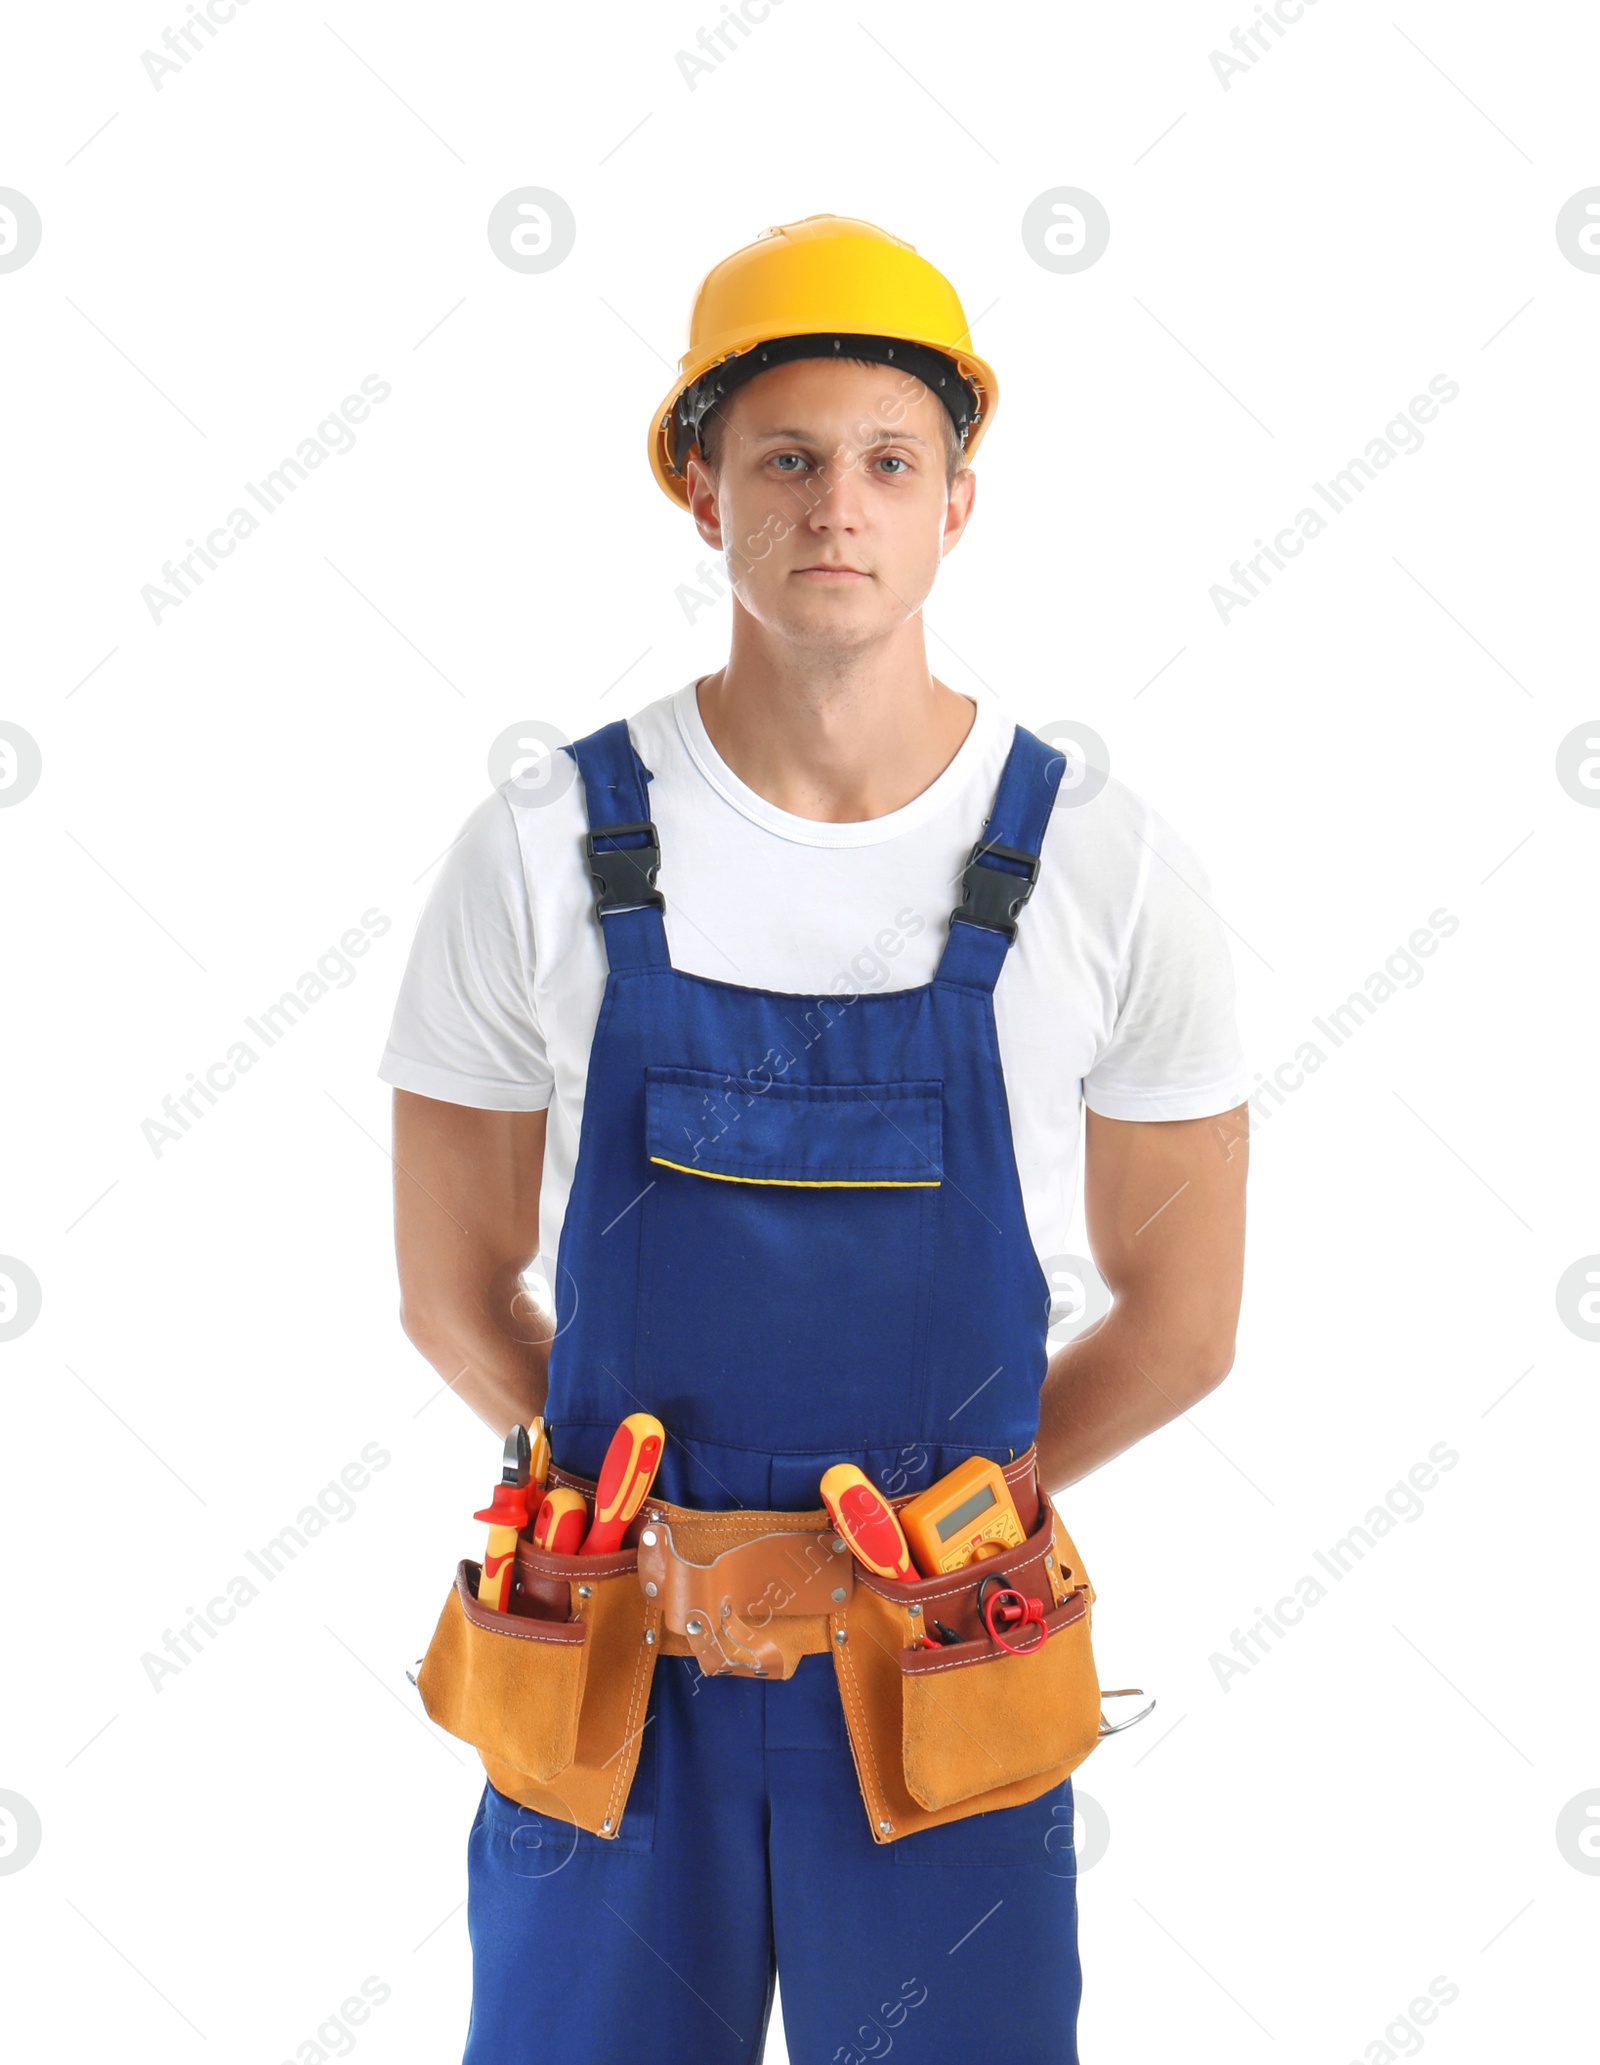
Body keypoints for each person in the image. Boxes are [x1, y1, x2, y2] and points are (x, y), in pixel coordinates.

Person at [379, 214, 1250, 2065]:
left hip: (943, 1676)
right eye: (783, 456)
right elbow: (449, 1286)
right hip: (610, 1682)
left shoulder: (1105, 864)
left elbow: (1183, 1321)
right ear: (700, 490)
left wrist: (959, 1520)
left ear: (955, 503)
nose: (835, 503)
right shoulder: (540, 843)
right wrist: (662, 1524)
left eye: (886, 460)